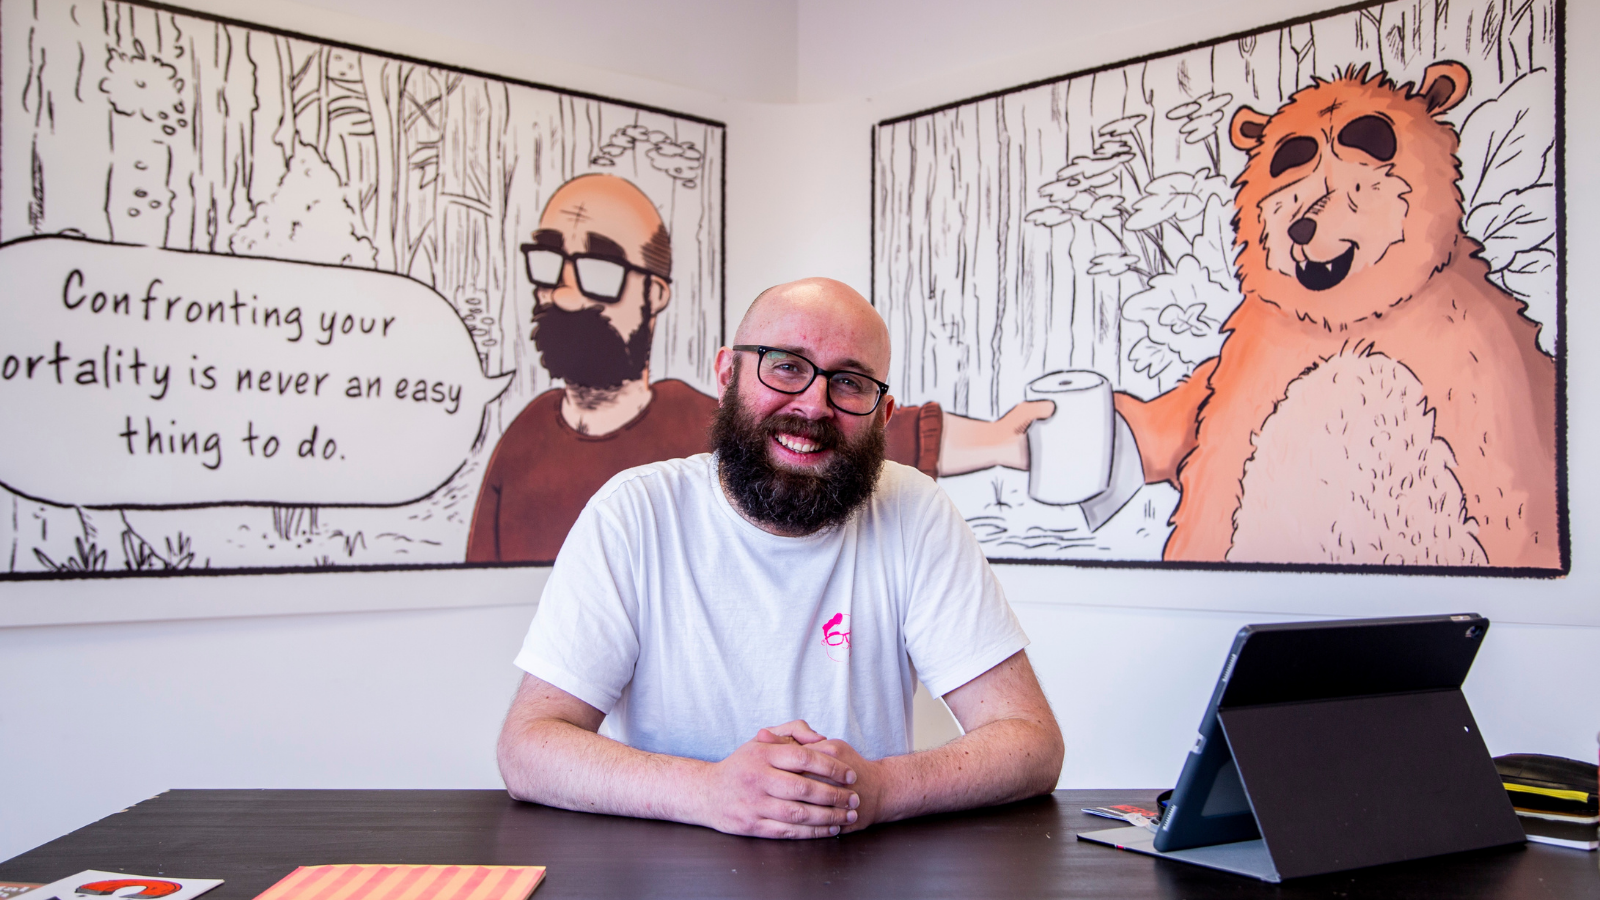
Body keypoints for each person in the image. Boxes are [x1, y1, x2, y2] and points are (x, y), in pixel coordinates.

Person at [496, 277, 1065, 839]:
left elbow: (1031, 741)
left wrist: (878, 789)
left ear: (883, 415)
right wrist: (709, 791)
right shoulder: (634, 513)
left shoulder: (913, 510)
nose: (813, 406)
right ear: (727, 376)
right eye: (787, 365)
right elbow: (529, 747)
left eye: (849, 382)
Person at [466, 174, 1054, 564]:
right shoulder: (545, 456)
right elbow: (534, 732)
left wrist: (1002, 441)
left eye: (598, 267)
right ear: (729, 371)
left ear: (654, 294)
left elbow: (866, 430)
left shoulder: (712, 421)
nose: (566, 291)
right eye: (549, 261)